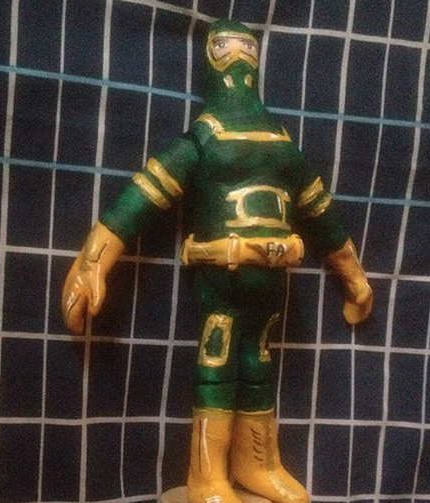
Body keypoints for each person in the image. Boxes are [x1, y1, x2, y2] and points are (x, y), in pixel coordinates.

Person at [62, 19, 372, 503]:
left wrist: (354, 277)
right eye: (229, 48)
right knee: (219, 363)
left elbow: (322, 214)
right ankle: (207, 476)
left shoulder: (280, 145)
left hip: (270, 285)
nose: (239, 63)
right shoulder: (203, 140)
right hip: (220, 279)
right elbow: (140, 200)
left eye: (244, 49)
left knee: (258, 362)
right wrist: (93, 263)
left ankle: (257, 462)